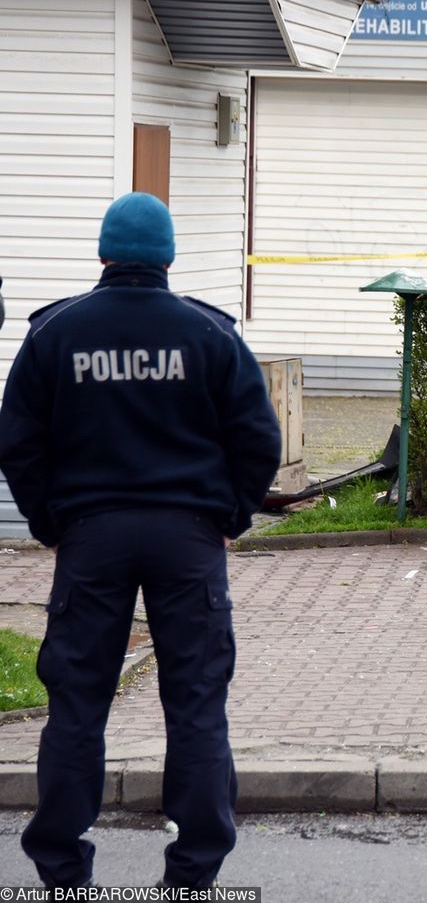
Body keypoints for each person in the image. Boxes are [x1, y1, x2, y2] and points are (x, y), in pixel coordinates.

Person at [0, 192, 282, 890]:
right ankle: (192, 872)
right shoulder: (209, 334)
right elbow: (258, 437)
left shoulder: (54, 333)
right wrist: (233, 515)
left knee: (76, 703)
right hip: (188, 537)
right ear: (168, 256)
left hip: (91, 536)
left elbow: (19, 442)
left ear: (103, 252)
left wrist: (49, 522)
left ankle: (63, 871)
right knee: (195, 702)